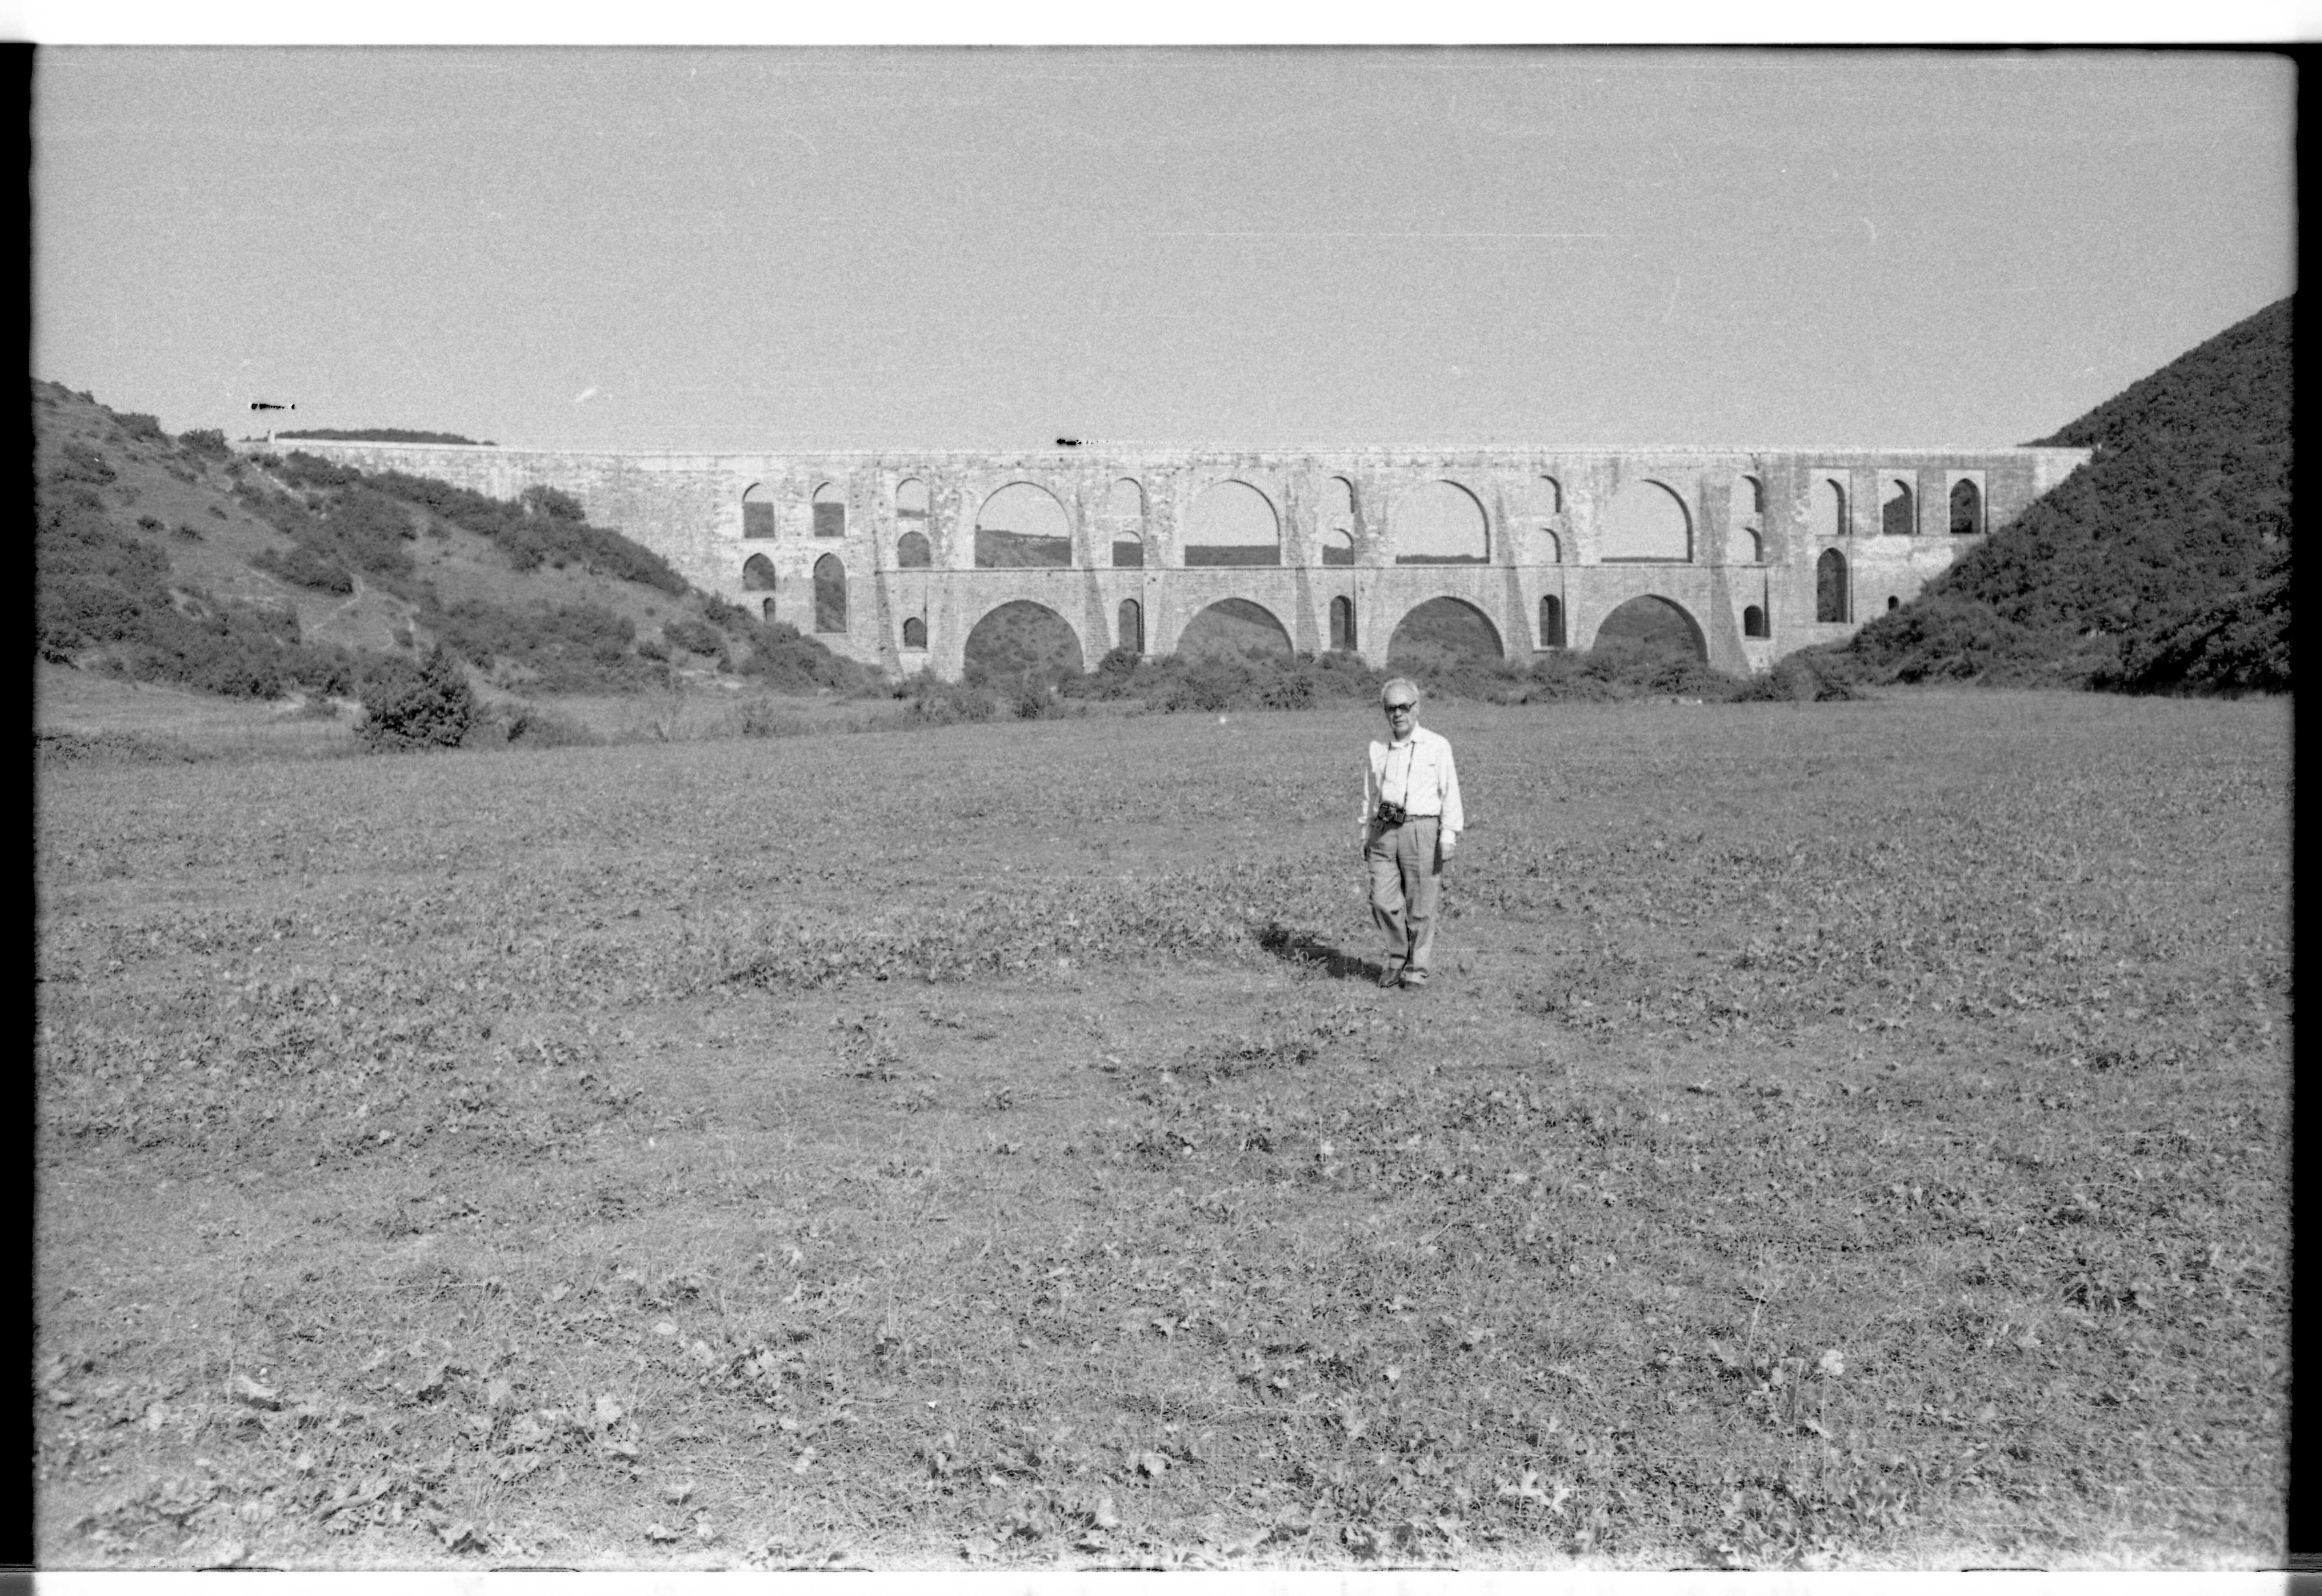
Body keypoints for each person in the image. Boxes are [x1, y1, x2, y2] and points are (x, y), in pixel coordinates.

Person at [1359, 676, 1464, 990]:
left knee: (1421, 905)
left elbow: (1450, 792)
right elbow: (1369, 793)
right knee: (1381, 900)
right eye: (1391, 708)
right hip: (1383, 830)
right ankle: (1397, 955)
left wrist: (1448, 835)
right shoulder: (1378, 749)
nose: (1398, 714)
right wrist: (1365, 832)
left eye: (1404, 707)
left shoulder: (1437, 745)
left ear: (1416, 708)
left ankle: (1416, 971)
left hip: (1422, 829)